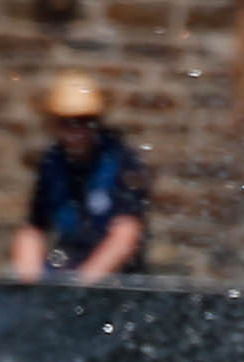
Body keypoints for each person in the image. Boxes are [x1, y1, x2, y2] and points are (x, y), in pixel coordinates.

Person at [10, 76, 149, 284]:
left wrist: (82, 285)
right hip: (66, 267)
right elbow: (33, 229)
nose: (76, 132)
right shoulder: (53, 164)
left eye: (84, 122)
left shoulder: (121, 162)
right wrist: (31, 283)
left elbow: (126, 232)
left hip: (113, 280)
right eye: (66, 124)